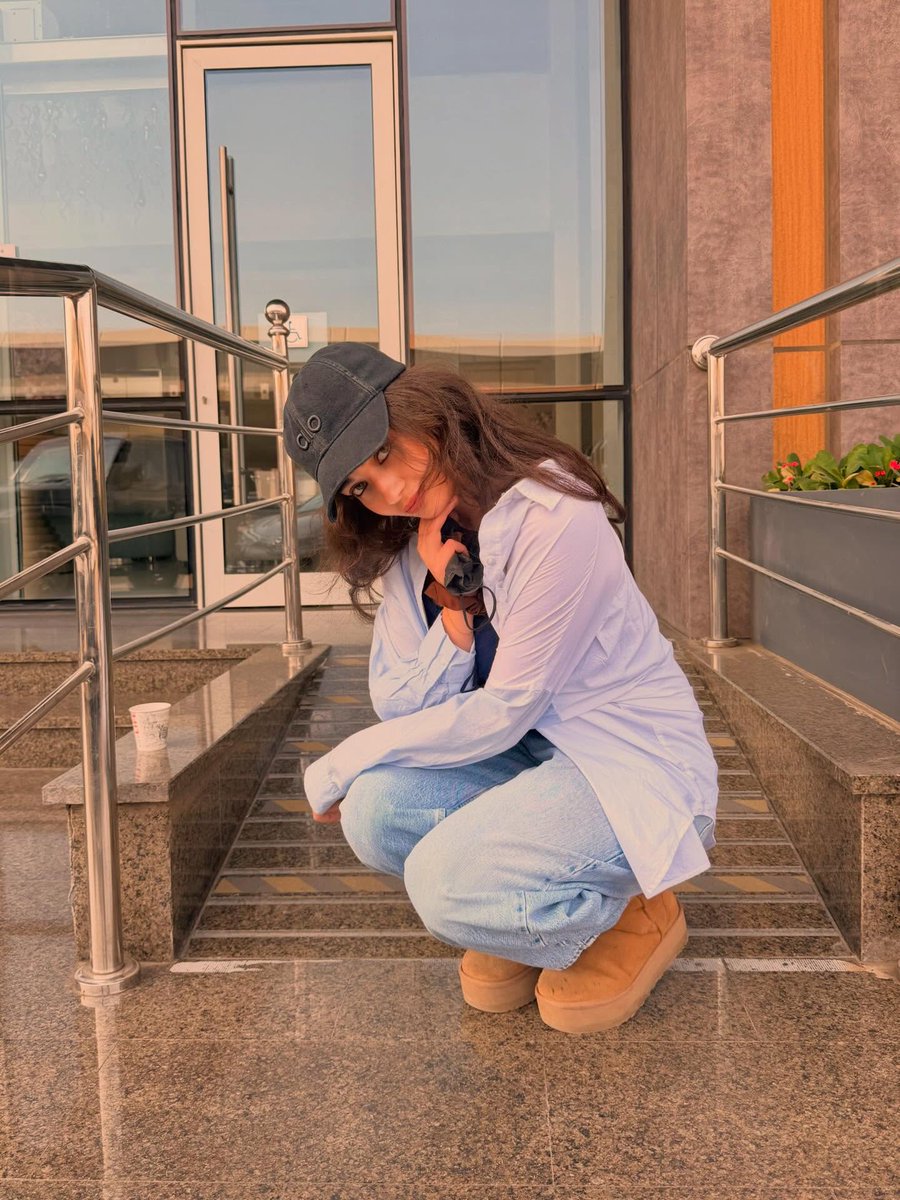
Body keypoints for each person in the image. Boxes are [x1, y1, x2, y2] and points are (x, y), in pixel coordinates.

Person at [283, 342, 718, 1034]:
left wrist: (345, 758)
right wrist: (455, 610)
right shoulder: (409, 545)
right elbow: (398, 700)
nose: (389, 493)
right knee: (374, 812)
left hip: (629, 767)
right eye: (362, 485)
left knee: (442, 886)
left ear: (424, 412)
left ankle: (630, 905)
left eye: (386, 453)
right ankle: (530, 905)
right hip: (533, 763)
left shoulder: (551, 517)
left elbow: (504, 712)